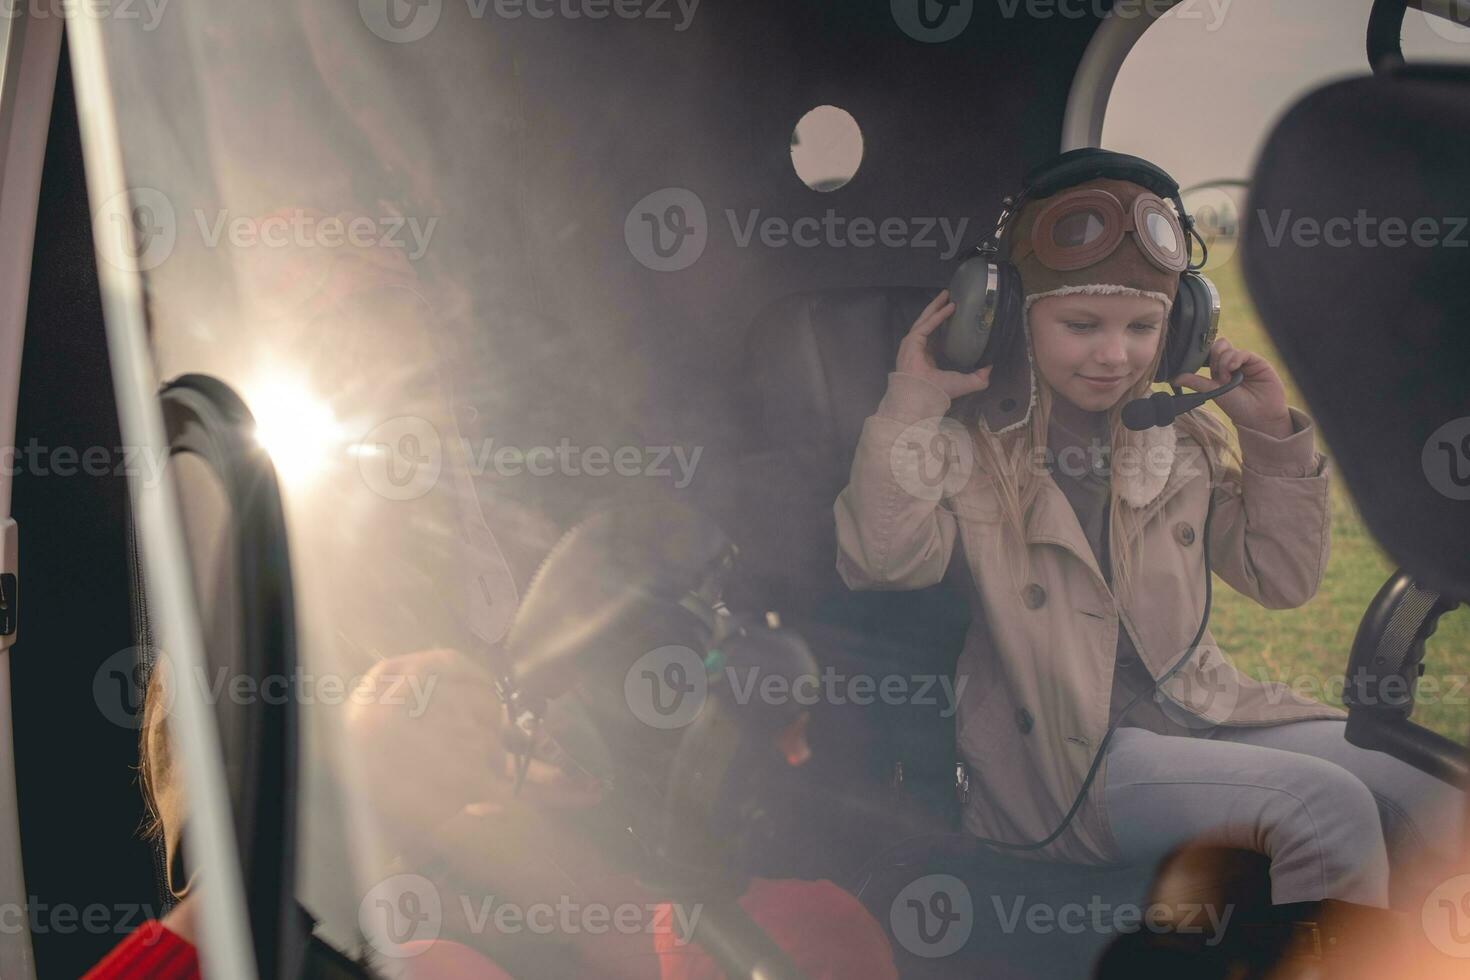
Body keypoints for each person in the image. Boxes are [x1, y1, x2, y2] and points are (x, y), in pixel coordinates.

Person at [833, 154, 1465, 919]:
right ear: (1004, 320)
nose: (1115, 355)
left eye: (1143, 328)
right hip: (1064, 759)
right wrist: (914, 402)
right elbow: (881, 560)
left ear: (1182, 329)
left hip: (1199, 712)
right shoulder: (967, 449)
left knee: (1440, 801)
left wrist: (1268, 436)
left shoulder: (1178, 437)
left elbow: (1284, 578)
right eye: (1080, 325)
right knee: (1322, 806)